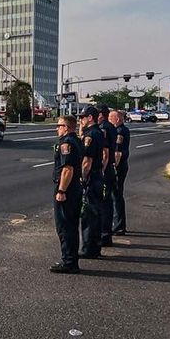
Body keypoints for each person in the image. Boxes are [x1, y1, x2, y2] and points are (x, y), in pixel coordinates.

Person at [50, 115, 84, 274]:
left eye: (59, 125)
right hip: (75, 186)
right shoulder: (77, 140)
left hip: (67, 188)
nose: (57, 128)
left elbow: (67, 169)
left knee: (65, 226)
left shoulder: (66, 143)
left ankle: (68, 261)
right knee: (71, 224)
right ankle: (71, 259)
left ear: (67, 127)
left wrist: (62, 190)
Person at [77, 106, 107, 259]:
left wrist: (82, 177)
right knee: (96, 211)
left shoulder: (90, 135)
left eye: (82, 117)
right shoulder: (99, 132)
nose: (80, 120)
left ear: (90, 118)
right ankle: (95, 246)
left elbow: (86, 161)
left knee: (89, 214)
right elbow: (103, 155)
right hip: (98, 175)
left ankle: (89, 248)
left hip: (91, 177)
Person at [95, 105, 118, 247]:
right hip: (110, 169)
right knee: (108, 202)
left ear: (101, 115)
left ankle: (104, 235)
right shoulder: (111, 127)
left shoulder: (103, 128)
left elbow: (105, 153)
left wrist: (101, 170)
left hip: (105, 170)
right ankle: (106, 233)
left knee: (103, 203)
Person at [109, 109, 130, 235]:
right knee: (116, 195)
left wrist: (114, 168)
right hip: (123, 166)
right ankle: (119, 224)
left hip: (119, 167)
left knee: (116, 196)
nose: (109, 120)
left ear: (117, 119)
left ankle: (118, 226)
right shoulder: (122, 130)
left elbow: (117, 153)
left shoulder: (119, 131)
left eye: (111, 118)